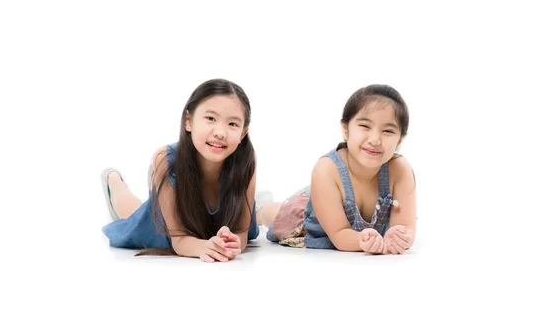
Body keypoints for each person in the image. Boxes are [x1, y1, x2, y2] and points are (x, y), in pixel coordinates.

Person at [101, 78, 262, 262]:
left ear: (243, 133)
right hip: (175, 176)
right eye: (210, 118)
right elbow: (179, 242)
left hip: (207, 215)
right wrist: (204, 246)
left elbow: (241, 234)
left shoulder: (247, 159)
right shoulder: (164, 159)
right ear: (188, 121)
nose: (220, 132)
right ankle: (114, 182)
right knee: (135, 215)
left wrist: (232, 243)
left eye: (232, 124)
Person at [257, 84, 416, 254]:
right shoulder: (326, 169)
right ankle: (261, 205)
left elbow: (405, 226)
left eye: (388, 131)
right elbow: (339, 235)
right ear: (345, 129)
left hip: (333, 201)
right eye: (364, 126)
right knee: (282, 214)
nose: (375, 139)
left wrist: (400, 237)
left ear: (400, 140)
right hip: (311, 216)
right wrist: (362, 241)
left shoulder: (400, 170)